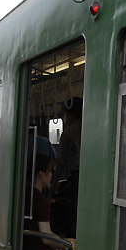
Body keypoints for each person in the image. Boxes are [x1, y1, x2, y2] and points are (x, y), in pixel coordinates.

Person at [24, 154, 75, 250]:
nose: (51, 175)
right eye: (50, 171)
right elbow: (46, 238)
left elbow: (47, 233)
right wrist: (68, 244)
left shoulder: (26, 193)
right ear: (41, 174)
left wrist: (65, 241)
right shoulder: (40, 200)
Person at [51, 97, 82, 238]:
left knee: (73, 213)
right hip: (94, 176)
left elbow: (61, 163)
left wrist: (54, 185)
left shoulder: (69, 133)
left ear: (72, 114)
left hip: (76, 177)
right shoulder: (93, 129)